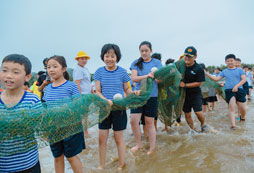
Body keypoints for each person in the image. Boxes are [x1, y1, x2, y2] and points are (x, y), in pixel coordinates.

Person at [93, 44, 140, 170]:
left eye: (112, 56)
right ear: (103, 57)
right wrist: (106, 100)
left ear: (117, 57)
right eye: (107, 56)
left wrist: (134, 93)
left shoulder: (123, 72)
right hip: (104, 109)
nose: (109, 59)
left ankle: (121, 164)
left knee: (118, 138)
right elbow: (97, 91)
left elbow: (127, 89)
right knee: (102, 139)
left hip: (119, 109)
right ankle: (102, 165)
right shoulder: (99, 72)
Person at [0, 54, 42, 172]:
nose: (8, 75)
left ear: (27, 77)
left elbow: (40, 127)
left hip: (28, 164)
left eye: (15, 72)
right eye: (4, 70)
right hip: (2, 166)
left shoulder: (33, 100)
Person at [43, 55, 85, 173]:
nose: (51, 69)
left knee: (71, 156)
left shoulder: (71, 86)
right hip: (53, 128)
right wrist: (46, 128)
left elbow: (79, 105)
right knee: (57, 157)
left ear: (63, 69)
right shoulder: (48, 88)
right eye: (48, 67)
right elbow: (46, 110)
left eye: (55, 66)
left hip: (70, 127)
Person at [130, 41, 162, 155]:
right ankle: (139, 145)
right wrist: (147, 76)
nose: (144, 53)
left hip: (152, 95)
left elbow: (160, 80)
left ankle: (152, 148)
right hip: (138, 95)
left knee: (149, 122)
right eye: (142, 51)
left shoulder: (157, 62)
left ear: (150, 51)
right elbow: (134, 78)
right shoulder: (136, 63)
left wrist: (156, 77)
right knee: (133, 121)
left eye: (146, 51)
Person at [207, 54, 247, 130]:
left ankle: (243, 118)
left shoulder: (240, 70)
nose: (230, 62)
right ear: (225, 62)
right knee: (232, 107)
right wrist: (207, 74)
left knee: (242, 108)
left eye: (231, 60)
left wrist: (236, 86)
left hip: (239, 90)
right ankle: (233, 126)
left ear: (234, 61)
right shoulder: (225, 71)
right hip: (229, 90)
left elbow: (244, 79)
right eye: (228, 61)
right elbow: (216, 79)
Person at [179, 46, 207, 132]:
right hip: (184, 94)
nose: (187, 58)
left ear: (195, 57)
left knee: (198, 112)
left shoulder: (198, 68)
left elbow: (199, 83)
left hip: (195, 93)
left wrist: (185, 85)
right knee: (187, 114)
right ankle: (193, 130)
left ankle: (203, 124)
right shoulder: (180, 66)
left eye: (190, 56)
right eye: (186, 56)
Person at [73, 50, 92, 136]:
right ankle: (84, 132)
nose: (84, 60)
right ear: (78, 59)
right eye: (82, 59)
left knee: (86, 114)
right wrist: (79, 97)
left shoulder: (85, 69)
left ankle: (85, 131)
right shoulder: (78, 70)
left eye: (85, 58)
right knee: (83, 114)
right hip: (82, 95)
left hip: (87, 94)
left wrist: (92, 91)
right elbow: (77, 84)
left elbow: (88, 82)